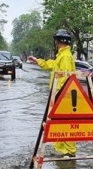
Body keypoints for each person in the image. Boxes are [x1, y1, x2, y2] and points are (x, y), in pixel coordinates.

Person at [28, 29, 77, 157]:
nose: (55, 43)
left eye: (56, 41)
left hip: (63, 95)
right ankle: (62, 150)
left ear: (58, 42)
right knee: (59, 122)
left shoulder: (65, 56)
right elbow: (52, 65)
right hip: (61, 95)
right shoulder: (61, 55)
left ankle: (70, 152)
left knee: (65, 123)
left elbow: (66, 76)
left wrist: (59, 95)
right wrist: (37, 61)